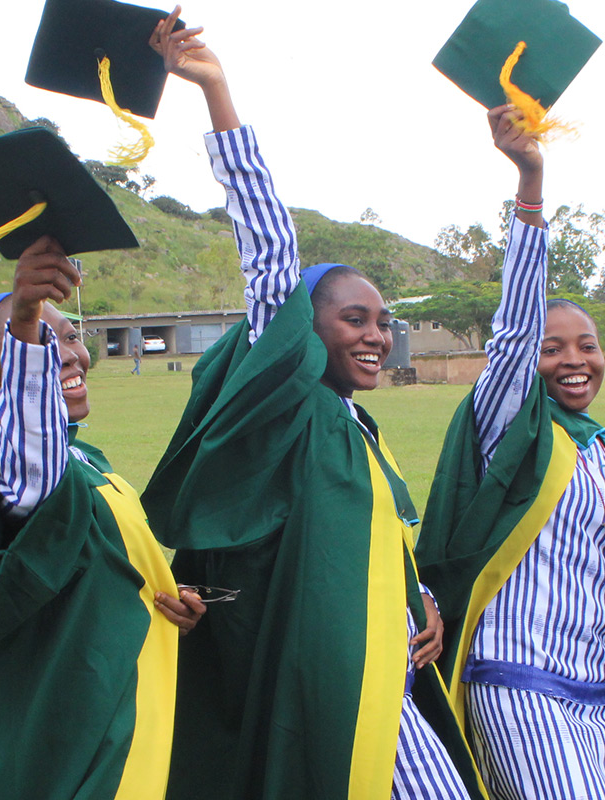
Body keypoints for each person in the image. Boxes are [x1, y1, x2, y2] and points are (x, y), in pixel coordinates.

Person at [139, 8, 483, 800]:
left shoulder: (352, 424)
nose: (375, 337)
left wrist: (418, 598)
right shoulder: (288, 405)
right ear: (302, 330)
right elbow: (271, 258)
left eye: (384, 324)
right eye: (353, 319)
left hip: (385, 670)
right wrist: (218, 93)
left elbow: (364, 544)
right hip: (328, 683)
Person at [415, 106, 605, 800]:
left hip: (601, 696)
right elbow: (512, 336)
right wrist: (531, 183)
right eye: (554, 348)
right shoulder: (510, 428)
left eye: (587, 345)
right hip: (518, 682)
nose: (574, 361)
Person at [0, 235, 206, 799]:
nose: (67, 354)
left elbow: (67, 558)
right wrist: (26, 313)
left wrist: (160, 592)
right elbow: (32, 472)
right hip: (48, 733)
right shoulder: (0, 470)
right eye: (38, 342)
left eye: (69, 336)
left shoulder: (85, 460)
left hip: (103, 699)